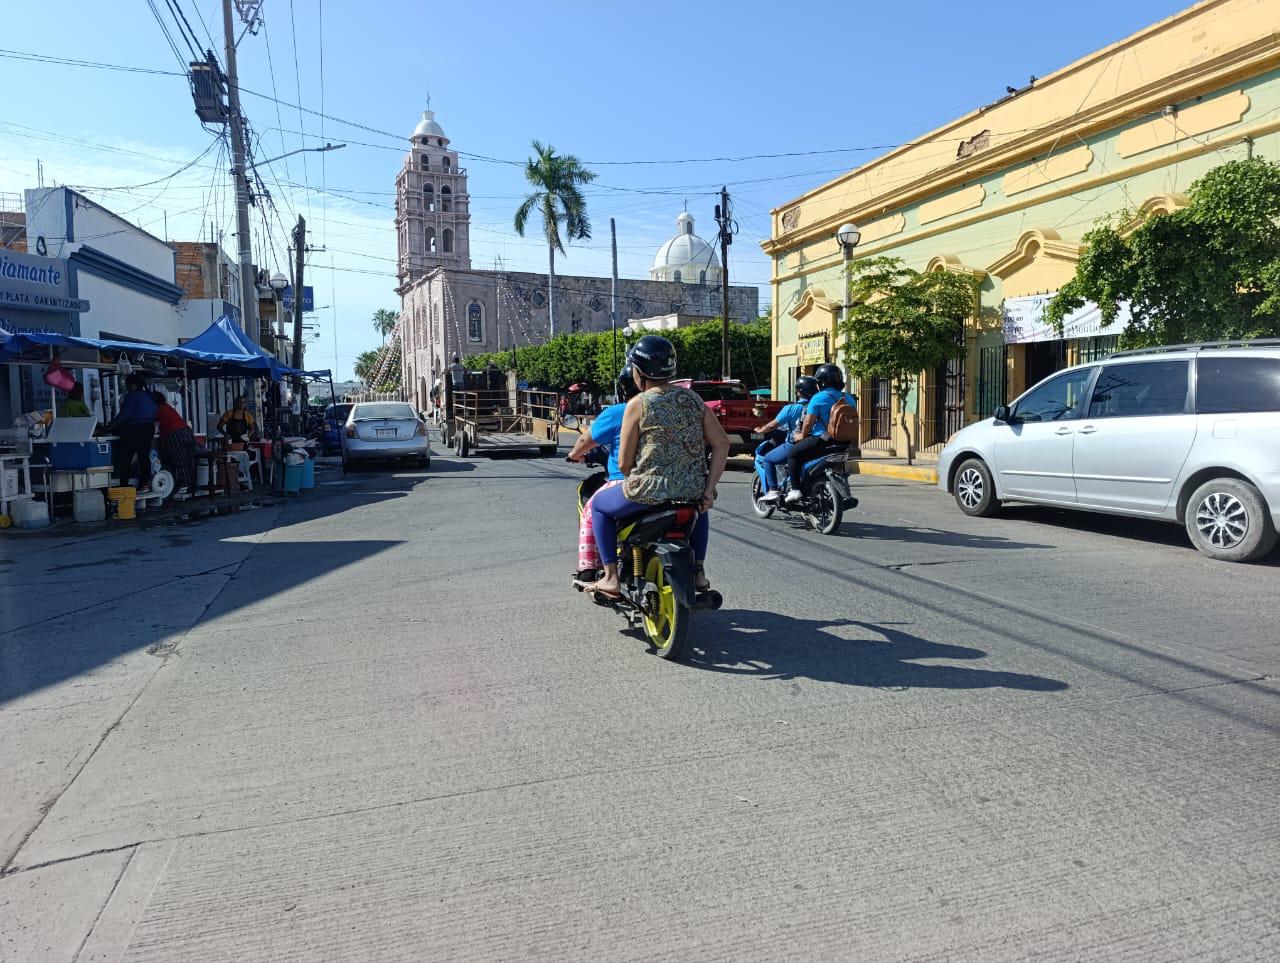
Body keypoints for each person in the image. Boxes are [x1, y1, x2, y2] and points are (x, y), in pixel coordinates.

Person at [582, 336, 730, 598]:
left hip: (646, 491)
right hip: (691, 489)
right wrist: (709, 487)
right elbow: (722, 443)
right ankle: (698, 573)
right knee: (699, 506)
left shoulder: (637, 404)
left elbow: (625, 463)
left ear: (638, 372)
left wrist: (635, 474)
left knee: (600, 507)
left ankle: (610, 577)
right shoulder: (694, 400)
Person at [567, 364, 639, 574]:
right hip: (671, 484)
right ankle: (698, 572)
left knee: (593, 508)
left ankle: (592, 569)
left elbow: (585, 441)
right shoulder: (667, 410)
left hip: (630, 483)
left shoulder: (619, 411)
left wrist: (574, 455)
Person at [784, 363, 858, 505]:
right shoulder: (848, 398)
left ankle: (795, 490)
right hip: (843, 443)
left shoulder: (818, 398)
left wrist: (801, 436)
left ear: (822, 383)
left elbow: (808, 423)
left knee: (793, 454)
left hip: (823, 440)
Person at [756, 375, 818, 504]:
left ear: (799, 391)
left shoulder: (791, 408)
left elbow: (773, 425)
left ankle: (773, 490)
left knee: (768, 459)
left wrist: (761, 430)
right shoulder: (819, 405)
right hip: (816, 445)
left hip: (794, 445)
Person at [109, 374, 157, 491]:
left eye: (127, 385)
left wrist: (109, 426)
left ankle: (124, 484)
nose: (126, 388)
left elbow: (123, 416)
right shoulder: (148, 396)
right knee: (144, 456)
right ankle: (144, 483)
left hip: (136, 429)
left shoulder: (132, 397)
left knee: (125, 457)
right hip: (149, 428)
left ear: (133, 385)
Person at [152, 391, 197, 493]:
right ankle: (191, 485)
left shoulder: (157, 409)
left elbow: (155, 425)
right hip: (187, 432)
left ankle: (184, 486)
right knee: (188, 461)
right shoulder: (167, 407)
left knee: (180, 460)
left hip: (175, 434)